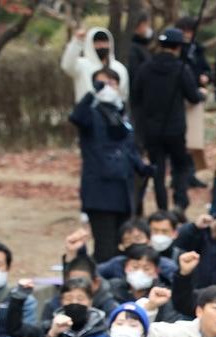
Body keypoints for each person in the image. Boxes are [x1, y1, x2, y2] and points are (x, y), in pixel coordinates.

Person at [71, 67, 148, 262]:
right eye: (103, 83)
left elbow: (129, 148)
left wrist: (142, 167)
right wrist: (91, 93)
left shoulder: (121, 115)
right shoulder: (91, 113)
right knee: (105, 248)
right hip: (100, 191)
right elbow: (76, 117)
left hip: (123, 190)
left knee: (124, 243)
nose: (108, 88)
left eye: (112, 83)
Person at [132, 28, 203, 214]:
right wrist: (200, 93)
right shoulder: (181, 69)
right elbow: (193, 97)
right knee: (182, 165)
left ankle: (162, 208)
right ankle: (179, 203)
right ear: (178, 47)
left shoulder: (145, 68)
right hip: (175, 128)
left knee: (157, 171)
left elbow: (136, 97)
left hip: (151, 129)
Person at [61, 25, 129, 103]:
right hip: (86, 113)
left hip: (112, 113)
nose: (101, 45)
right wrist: (77, 42)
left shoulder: (119, 68)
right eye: (97, 42)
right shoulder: (81, 65)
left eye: (105, 42)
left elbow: (123, 94)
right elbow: (67, 65)